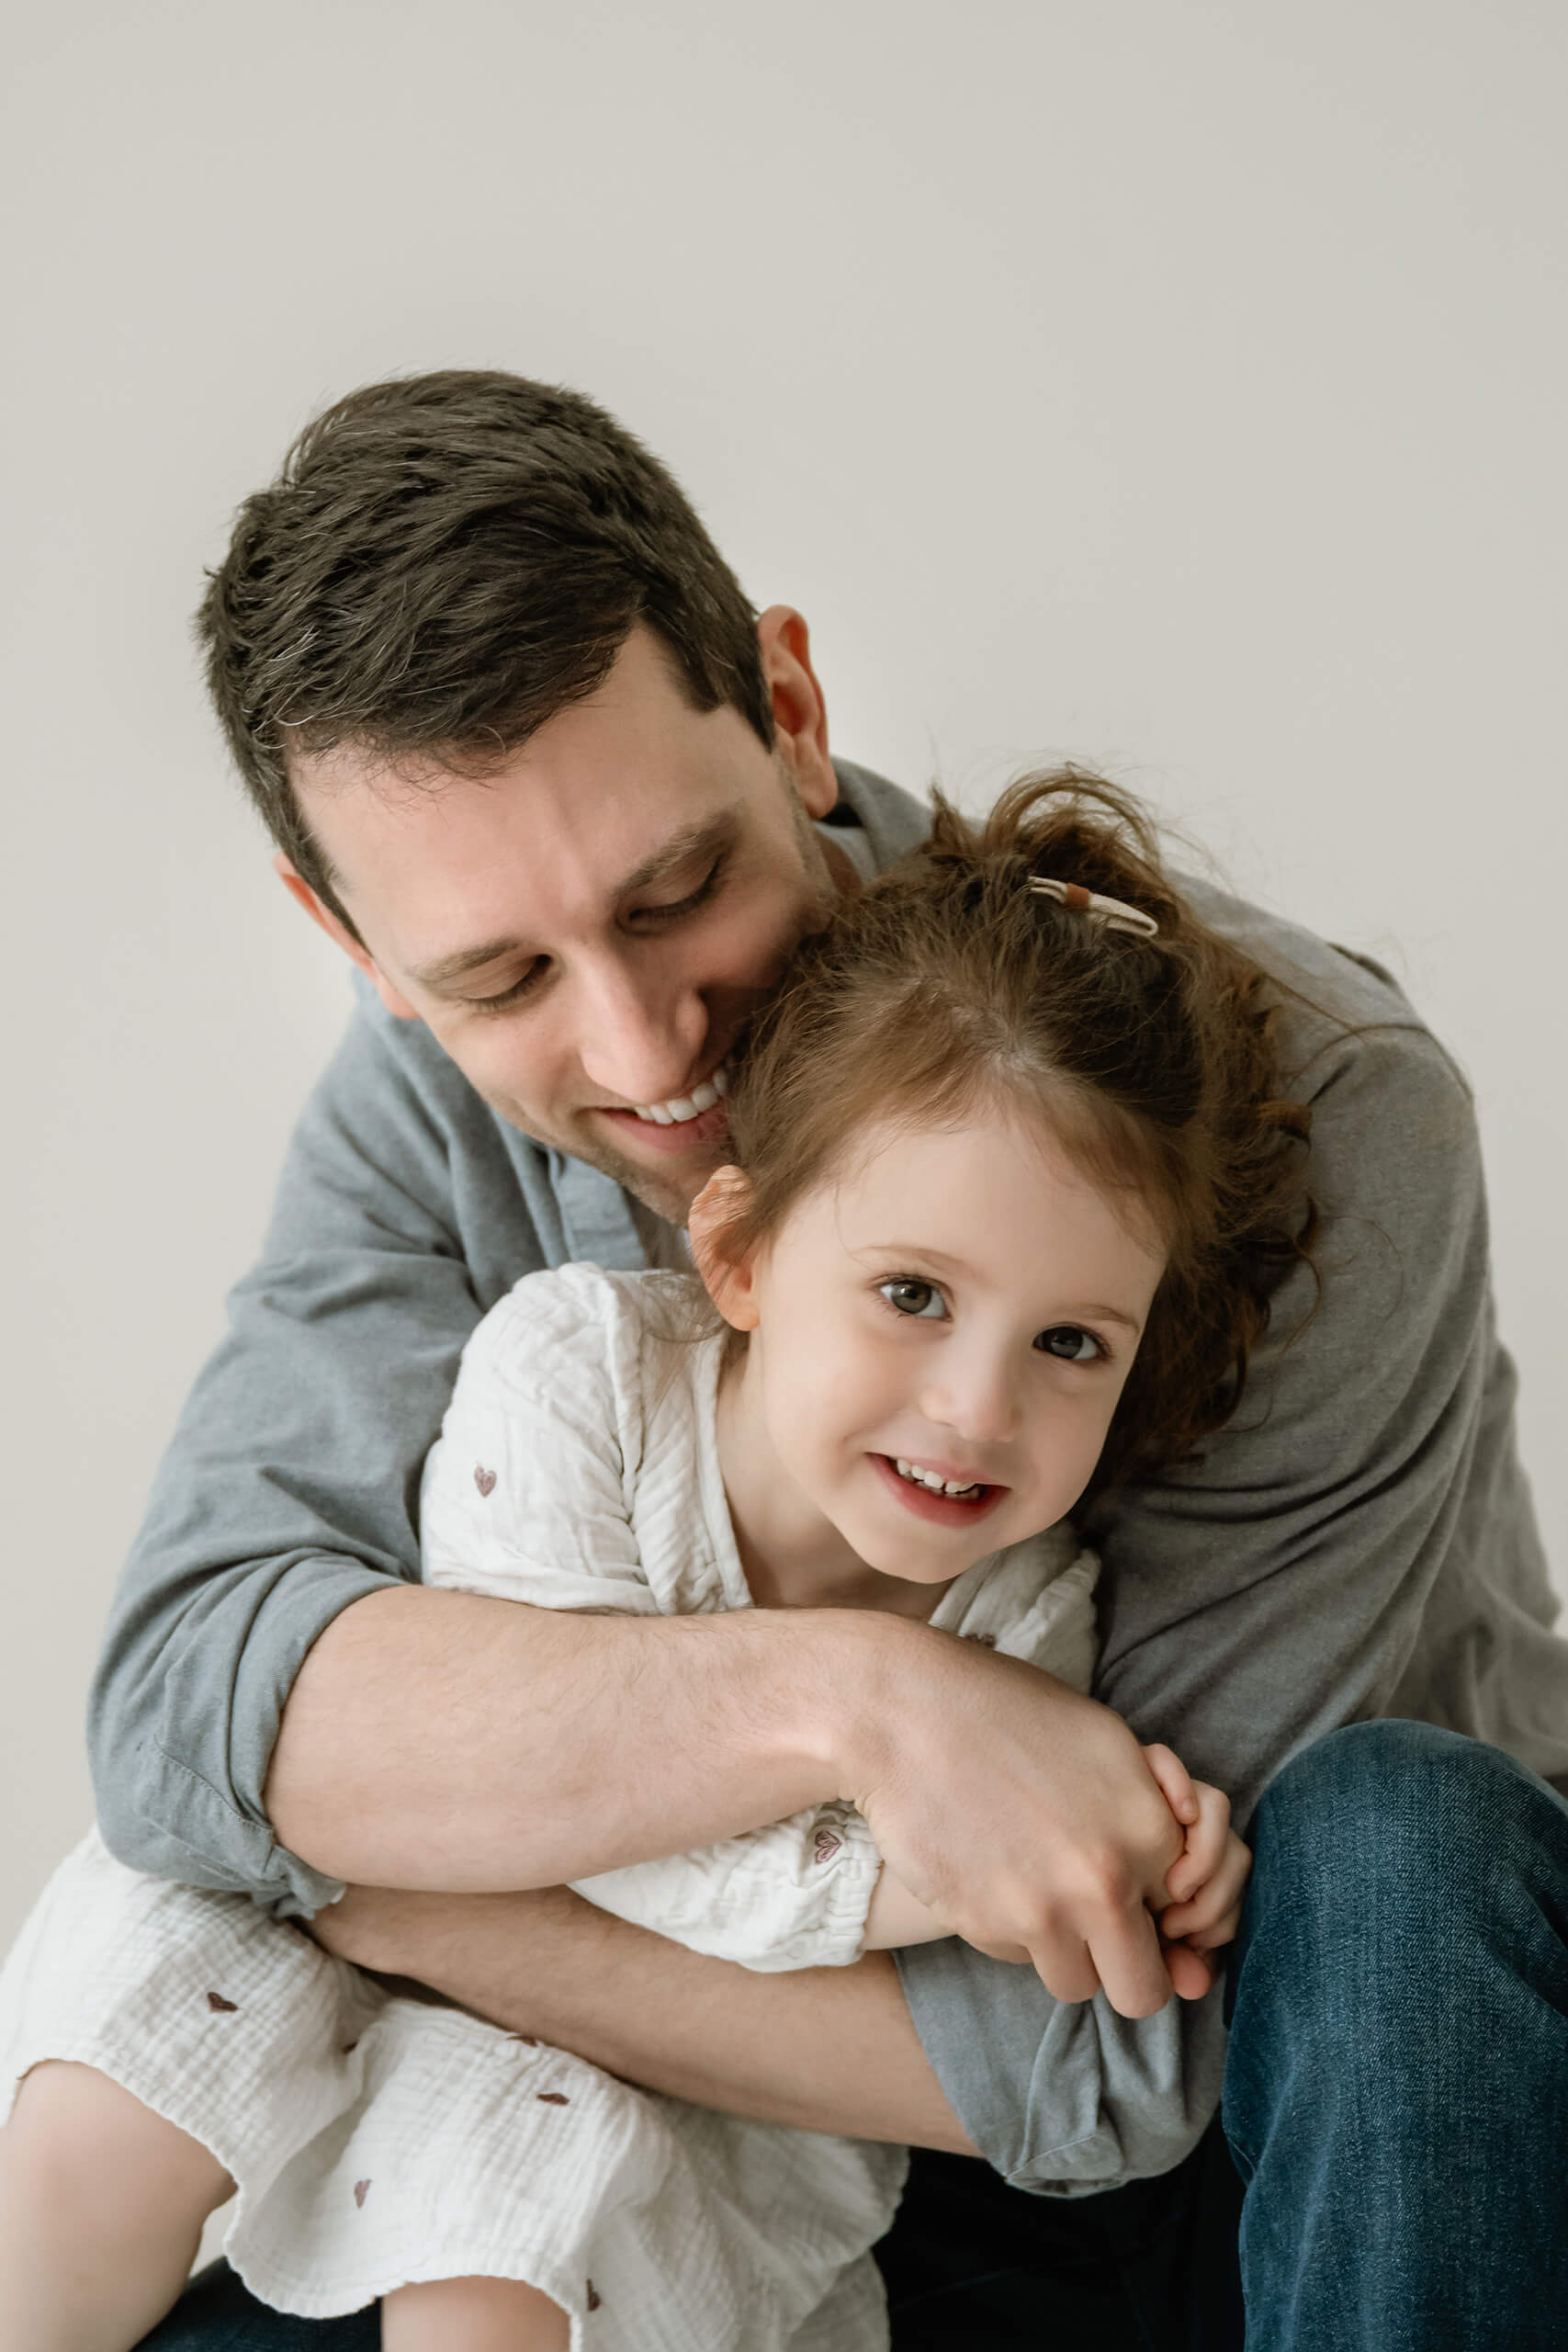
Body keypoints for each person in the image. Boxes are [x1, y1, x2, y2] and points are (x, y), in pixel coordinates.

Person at [9, 369, 1568, 2348]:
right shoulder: (423, 1096)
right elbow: (185, 1711)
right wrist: (859, 1699)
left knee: (1391, 1837)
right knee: (226, 2169)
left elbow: (1115, 2053)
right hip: (708, 2119)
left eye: (678, 895)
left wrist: (378, 1879)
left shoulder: (1322, 1108)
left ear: (793, 715)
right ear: (355, 945)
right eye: (498, 978)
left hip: (1273, 2140)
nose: (648, 1056)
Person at [0, 776, 1264, 2348]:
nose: (976, 1408)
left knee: (508, 2272)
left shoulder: (1034, 1611)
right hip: (353, 1916)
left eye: (1070, 1342)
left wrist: (1136, 1863)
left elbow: (1032, 1935)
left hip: (672, 2087)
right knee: (113, 2102)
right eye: (915, 1297)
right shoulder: (574, 1374)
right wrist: (935, 1839)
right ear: (735, 1255)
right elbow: (545, 1801)